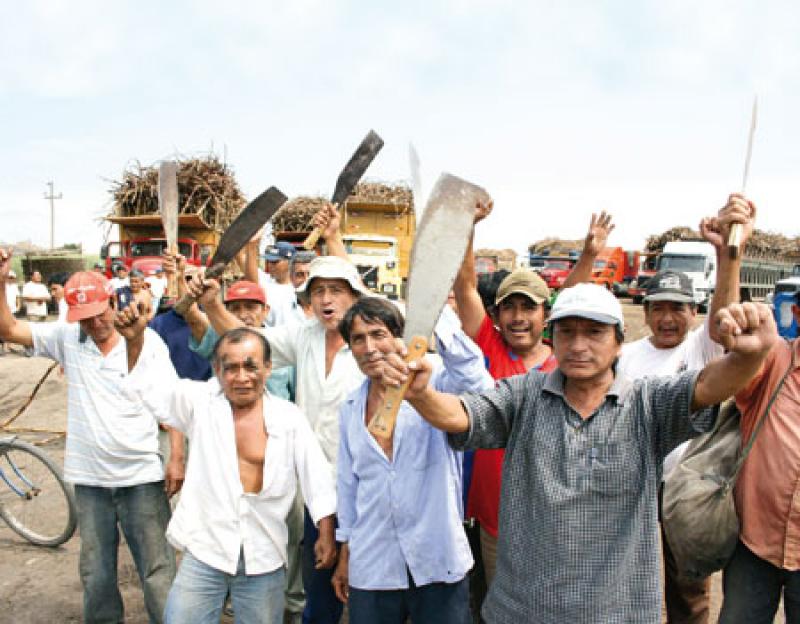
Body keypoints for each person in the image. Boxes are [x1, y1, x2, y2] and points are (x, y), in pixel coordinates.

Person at [378, 282, 778, 623]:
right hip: (525, 608)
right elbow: (463, 415)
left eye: (594, 332)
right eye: (567, 332)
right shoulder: (524, 395)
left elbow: (709, 385)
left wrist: (752, 354)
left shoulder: (648, 402)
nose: (579, 345)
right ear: (553, 337)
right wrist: (422, 395)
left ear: (620, 342)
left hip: (617, 610)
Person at [114, 300, 338, 624]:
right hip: (206, 549)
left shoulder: (289, 418)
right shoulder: (201, 402)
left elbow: (316, 476)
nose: (241, 377)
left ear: (268, 368)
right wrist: (135, 340)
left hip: (264, 554)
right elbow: (151, 390)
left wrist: (326, 533)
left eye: (251, 366)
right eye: (230, 368)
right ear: (217, 371)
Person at [188, 253, 368, 624]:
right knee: (318, 580)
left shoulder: (371, 340)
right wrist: (211, 304)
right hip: (315, 487)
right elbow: (250, 340)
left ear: (354, 296)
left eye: (335, 290)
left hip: (365, 485)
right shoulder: (305, 335)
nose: (326, 300)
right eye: (317, 291)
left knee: (368, 587)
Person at [0, 251, 178, 624]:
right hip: (91, 481)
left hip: (141, 476)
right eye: (85, 318)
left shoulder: (148, 342)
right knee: (96, 574)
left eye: (101, 313)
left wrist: (175, 457)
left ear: (113, 301)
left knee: (158, 570)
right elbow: (8, 330)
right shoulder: (68, 338)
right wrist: (2, 279)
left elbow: (171, 405)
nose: (96, 324)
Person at [452, 200, 614, 589]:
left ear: (547, 316)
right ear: (496, 315)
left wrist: (589, 255)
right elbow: (465, 285)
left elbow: (571, 298)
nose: (519, 317)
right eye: (510, 308)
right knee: (500, 603)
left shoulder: (563, 359)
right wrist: (469, 227)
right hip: (496, 518)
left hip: (555, 515)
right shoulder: (488, 348)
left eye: (530, 307)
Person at [612, 195, 755, 623]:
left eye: (679, 307)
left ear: (693, 312)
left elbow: (725, 318)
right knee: (621, 577)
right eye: (659, 307)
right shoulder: (627, 356)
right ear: (647, 312)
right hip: (632, 485)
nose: (668, 317)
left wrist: (727, 253)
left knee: (687, 590)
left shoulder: (702, 347)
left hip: (684, 487)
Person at [332, 297, 492, 623]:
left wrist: (429, 315)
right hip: (373, 561)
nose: (370, 347)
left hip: (437, 559)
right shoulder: (350, 408)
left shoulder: (436, 384)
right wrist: (345, 551)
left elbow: (476, 377)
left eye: (379, 334)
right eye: (358, 339)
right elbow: (349, 486)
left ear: (401, 337)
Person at [717, 289, 800, 623]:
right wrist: (729, 257)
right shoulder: (775, 360)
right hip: (753, 545)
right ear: (797, 314)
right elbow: (732, 340)